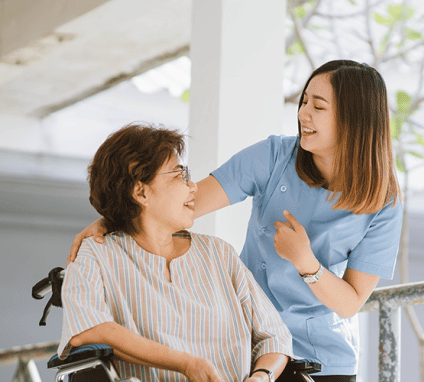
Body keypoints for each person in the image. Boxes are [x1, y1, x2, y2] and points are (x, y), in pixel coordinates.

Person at [69, 60, 403, 382]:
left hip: (322, 358)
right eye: (303, 102)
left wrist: (305, 262)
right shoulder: (273, 157)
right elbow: (180, 205)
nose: (303, 114)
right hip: (252, 345)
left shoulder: (383, 201)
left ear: (354, 119)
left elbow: (350, 303)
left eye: (318, 106)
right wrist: (114, 217)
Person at [59, 123, 293, 382]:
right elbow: (88, 329)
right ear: (141, 192)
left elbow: (275, 336)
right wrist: (185, 364)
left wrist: (262, 376)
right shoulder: (96, 255)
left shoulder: (219, 254)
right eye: (179, 174)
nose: (193, 186)